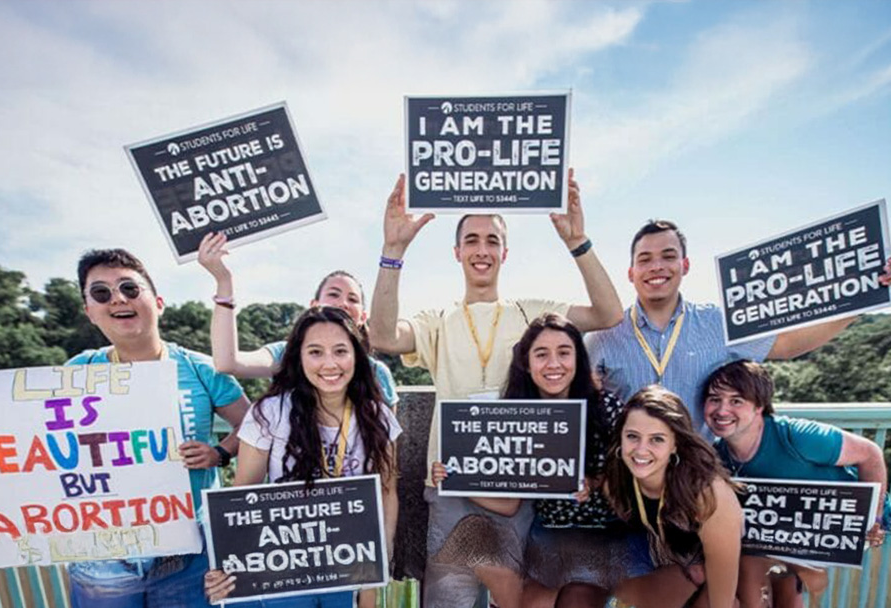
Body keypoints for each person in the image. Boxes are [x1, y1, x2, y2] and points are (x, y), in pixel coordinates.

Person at [0, 248, 251, 607]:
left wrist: (219, 452)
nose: (117, 298)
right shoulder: (78, 370)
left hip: (191, 555)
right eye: (101, 293)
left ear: (158, 301)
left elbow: (253, 425)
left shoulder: (200, 369)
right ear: (89, 312)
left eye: (130, 288)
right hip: (102, 560)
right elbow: (30, 440)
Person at [369, 170, 624, 608]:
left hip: (519, 488)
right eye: (472, 240)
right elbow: (383, 337)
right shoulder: (438, 318)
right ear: (457, 252)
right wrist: (393, 250)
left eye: (491, 240)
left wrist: (577, 242)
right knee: (448, 602)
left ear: (505, 251)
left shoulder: (533, 311)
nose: (482, 249)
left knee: (512, 602)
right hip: (451, 483)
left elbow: (608, 312)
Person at [586, 219, 891, 432]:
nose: (656, 266)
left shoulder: (717, 322)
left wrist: (865, 298)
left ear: (684, 265)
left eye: (668, 256)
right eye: (645, 259)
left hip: (697, 479)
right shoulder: (604, 335)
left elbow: (787, 345)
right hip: (627, 479)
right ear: (631, 272)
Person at [203, 306, 401, 608]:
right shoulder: (269, 413)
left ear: (357, 357)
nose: (330, 364)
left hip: (349, 567)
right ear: (298, 357)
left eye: (340, 351)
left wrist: (380, 564)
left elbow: (387, 491)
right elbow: (242, 498)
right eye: (316, 352)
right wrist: (226, 568)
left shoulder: (378, 416)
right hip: (284, 570)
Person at [432, 313, 627, 608]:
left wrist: (596, 483)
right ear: (527, 362)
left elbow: (630, 487)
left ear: (578, 358)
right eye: (541, 354)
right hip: (549, 535)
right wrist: (455, 478)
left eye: (564, 353)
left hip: (602, 534)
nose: (553, 364)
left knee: (576, 601)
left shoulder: (606, 408)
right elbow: (510, 504)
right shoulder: (517, 413)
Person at [702, 360, 891, 608]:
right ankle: (799, 573)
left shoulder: (796, 435)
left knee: (753, 564)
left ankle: (804, 573)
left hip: (847, 525)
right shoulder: (719, 454)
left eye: (736, 401)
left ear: (759, 406)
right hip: (784, 530)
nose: (722, 410)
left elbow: (870, 454)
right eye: (714, 399)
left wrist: (873, 518)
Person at [196, 231, 398, 408]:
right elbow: (228, 363)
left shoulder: (376, 373)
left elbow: (388, 443)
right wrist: (224, 281)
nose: (343, 303)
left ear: (363, 317)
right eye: (334, 295)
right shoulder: (286, 354)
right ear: (314, 306)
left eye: (353, 299)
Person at [604, 385, 743, 608]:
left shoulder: (708, 493)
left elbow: (723, 588)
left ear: (675, 444)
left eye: (657, 439)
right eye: (632, 436)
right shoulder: (616, 481)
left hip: (731, 573)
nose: (641, 450)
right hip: (676, 568)